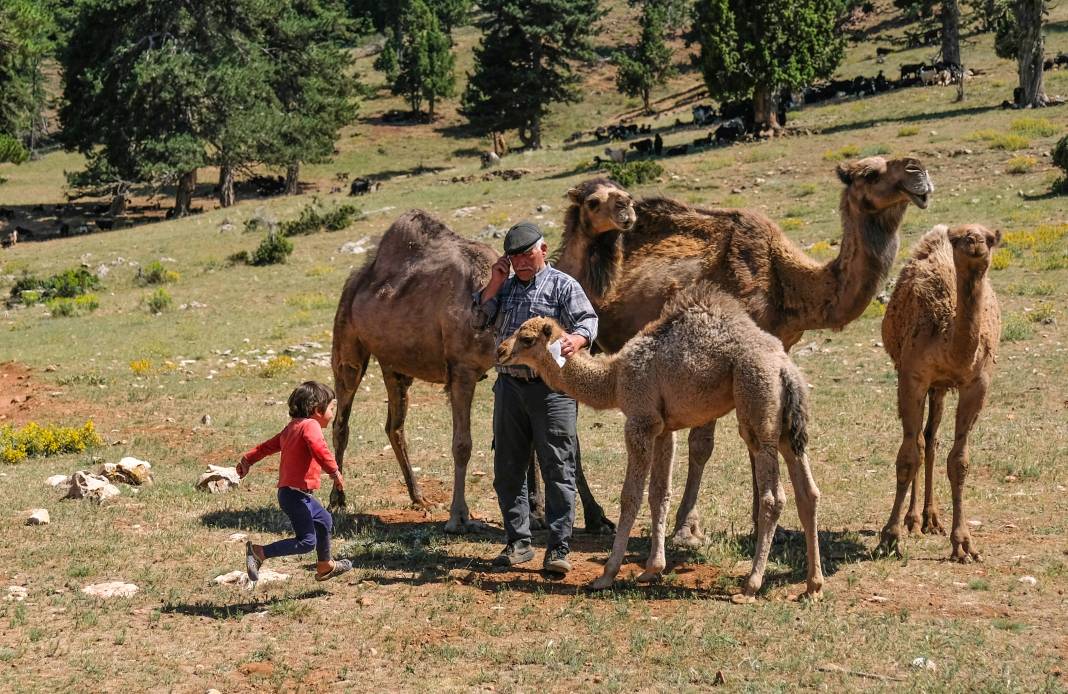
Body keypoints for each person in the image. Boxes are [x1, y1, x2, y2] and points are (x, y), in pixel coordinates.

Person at [473, 221, 598, 575]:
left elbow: (588, 320)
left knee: (559, 466)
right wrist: (494, 284)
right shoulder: (506, 289)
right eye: (515, 257)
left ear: (543, 250)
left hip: (552, 391)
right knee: (508, 467)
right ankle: (518, 543)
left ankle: (558, 547)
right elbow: (477, 321)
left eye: (528, 254)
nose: (522, 262)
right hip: (510, 387)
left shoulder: (563, 285)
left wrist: (578, 340)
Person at [238, 380, 352, 582]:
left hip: (294, 494)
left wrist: (248, 459)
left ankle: (325, 564)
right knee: (307, 542)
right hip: (295, 496)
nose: (333, 414)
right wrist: (334, 471)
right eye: (332, 408)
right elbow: (319, 449)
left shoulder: (292, 427)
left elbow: (266, 447)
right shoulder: (310, 425)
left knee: (324, 519)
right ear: (318, 410)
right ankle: (259, 552)